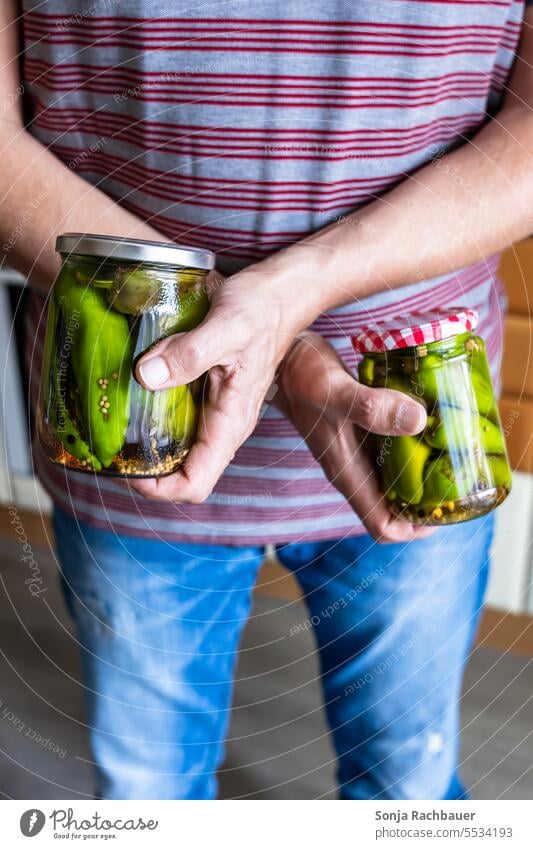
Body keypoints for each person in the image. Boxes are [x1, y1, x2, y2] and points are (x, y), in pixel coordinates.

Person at [1, 0, 532, 798]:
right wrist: (265, 330)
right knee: (148, 793)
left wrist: (283, 308)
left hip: (416, 416)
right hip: (130, 444)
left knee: (406, 781)